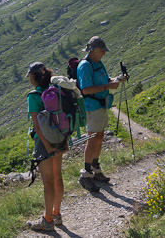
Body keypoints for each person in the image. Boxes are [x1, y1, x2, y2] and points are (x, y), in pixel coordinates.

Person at [77, 36, 126, 191]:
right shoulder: (85, 66)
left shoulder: (98, 63)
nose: (104, 54)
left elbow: (105, 79)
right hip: (92, 107)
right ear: (93, 50)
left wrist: (117, 79)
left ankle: (96, 169)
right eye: (101, 51)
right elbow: (86, 89)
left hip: (101, 105)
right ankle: (85, 174)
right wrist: (107, 86)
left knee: (99, 136)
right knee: (92, 138)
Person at [26, 61, 66, 232]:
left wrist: (47, 146)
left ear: (34, 76)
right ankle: (57, 214)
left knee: (48, 182)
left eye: (29, 74)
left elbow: (37, 126)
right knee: (58, 177)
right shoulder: (56, 91)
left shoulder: (34, 96)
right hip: (60, 139)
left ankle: (47, 220)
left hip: (45, 145)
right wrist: (63, 142)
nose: (28, 77)